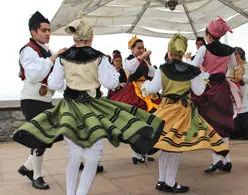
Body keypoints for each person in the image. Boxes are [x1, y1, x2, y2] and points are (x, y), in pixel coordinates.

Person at [13, 18, 164, 195]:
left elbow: (53, 84)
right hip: (93, 109)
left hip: (70, 110)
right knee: (92, 157)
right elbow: (110, 83)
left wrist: (69, 82)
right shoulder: (99, 57)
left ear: (74, 39)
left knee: (75, 156)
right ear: (91, 37)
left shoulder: (62, 57)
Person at [141, 34, 229, 193]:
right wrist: (203, 79)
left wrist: (144, 86)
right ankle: (170, 182)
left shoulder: (162, 68)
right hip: (182, 111)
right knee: (176, 147)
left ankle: (162, 181)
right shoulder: (192, 70)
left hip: (165, 110)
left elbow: (152, 88)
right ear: (183, 52)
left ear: (169, 52)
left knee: (166, 145)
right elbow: (198, 91)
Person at [16, 11, 66, 190]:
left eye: (49, 30)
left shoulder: (48, 51)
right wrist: (54, 59)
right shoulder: (27, 50)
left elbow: (57, 79)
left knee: (48, 137)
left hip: (45, 100)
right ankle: (36, 175)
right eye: (43, 30)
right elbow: (34, 74)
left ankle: (28, 167)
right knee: (40, 138)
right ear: (33, 32)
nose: (47, 33)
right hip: (31, 100)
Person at [186, 17, 240, 173]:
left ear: (208, 35)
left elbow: (195, 68)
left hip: (209, 88)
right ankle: (226, 160)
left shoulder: (204, 49)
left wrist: (189, 60)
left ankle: (217, 160)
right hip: (223, 89)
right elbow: (233, 70)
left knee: (210, 125)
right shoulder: (230, 50)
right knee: (223, 123)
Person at [110, 36, 161, 164]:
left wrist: (148, 61)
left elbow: (152, 74)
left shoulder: (144, 61)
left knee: (149, 119)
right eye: (138, 48)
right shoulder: (128, 60)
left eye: (142, 48)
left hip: (146, 90)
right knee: (137, 121)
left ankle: (142, 152)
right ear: (132, 49)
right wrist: (141, 57)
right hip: (134, 91)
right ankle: (136, 153)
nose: (141, 50)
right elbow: (129, 69)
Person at [229, 47, 248, 140]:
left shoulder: (246, 65)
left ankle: (245, 133)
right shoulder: (230, 66)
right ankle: (235, 132)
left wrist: (241, 77)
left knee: (244, 111)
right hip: (233, 91)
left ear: (241, 54)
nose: (234, 56)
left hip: (243, 90)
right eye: (233, 54)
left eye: (235, 54)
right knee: (234, 110)